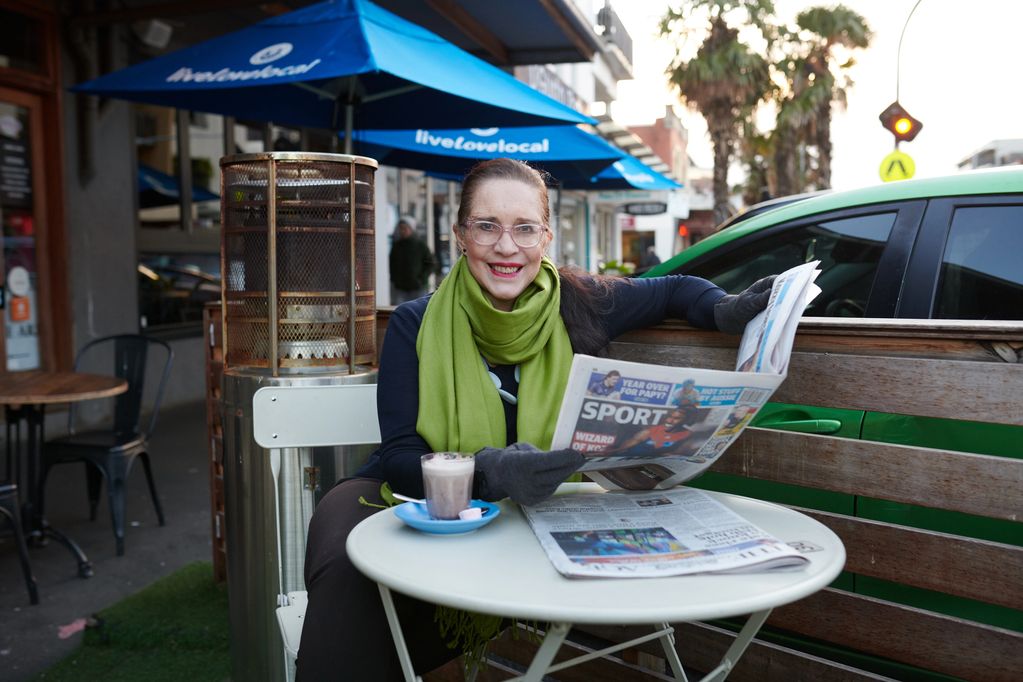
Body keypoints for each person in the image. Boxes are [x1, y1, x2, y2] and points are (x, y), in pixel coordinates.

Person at [296, 158, 775, 681]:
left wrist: (724, 309)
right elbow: (401, 457)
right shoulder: (417, 321)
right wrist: (488, 473)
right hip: (398, 498)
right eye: (487, 227)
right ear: (460, 235)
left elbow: (676, 288)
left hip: (529, 519)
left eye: (525, 228)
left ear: (546, 236)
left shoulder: (582, 303)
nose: (507, 247)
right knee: (349, 576)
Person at [388, 216, 435, 304]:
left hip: (418, 289)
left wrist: (422, 279)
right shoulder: (396, 246)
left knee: (419, 314)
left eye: (405, 228)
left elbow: (431, 263)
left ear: (411, 229)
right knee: (400, 313)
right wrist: (394, 280)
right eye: (400, 229)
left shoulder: (421, 245)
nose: (402, 231)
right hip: (400, 289)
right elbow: (392, 264)